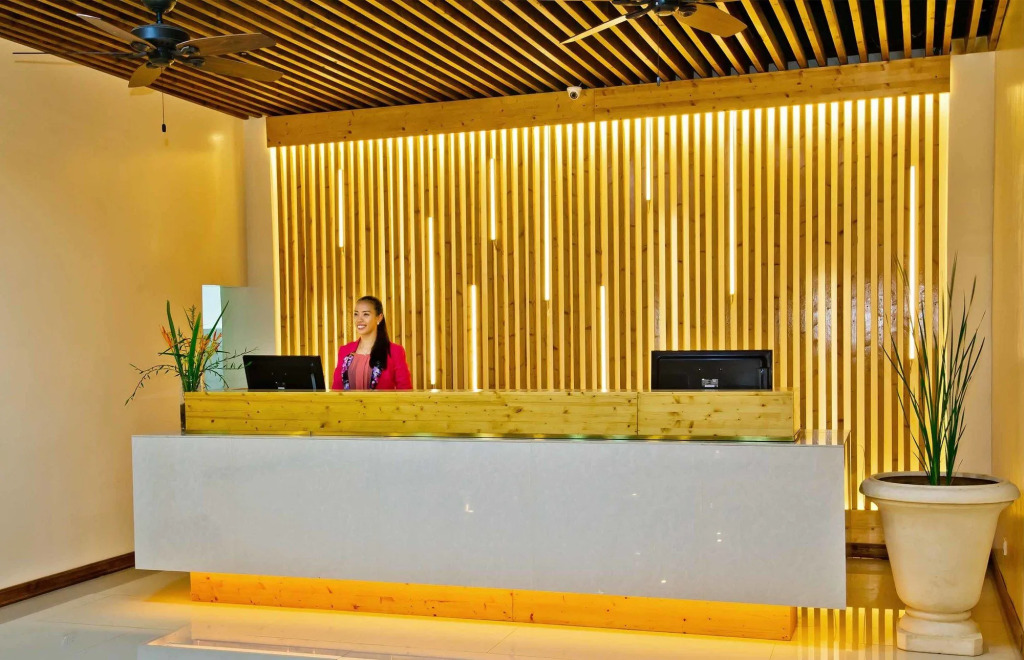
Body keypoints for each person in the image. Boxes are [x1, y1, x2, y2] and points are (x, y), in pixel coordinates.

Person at [332, 295, 412, 390]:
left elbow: (405, 390)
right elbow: (336, 389)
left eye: (366, 314)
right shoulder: (344, 350)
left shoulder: (395, 351)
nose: (359, 319)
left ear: (379, 318)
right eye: (356, 314)